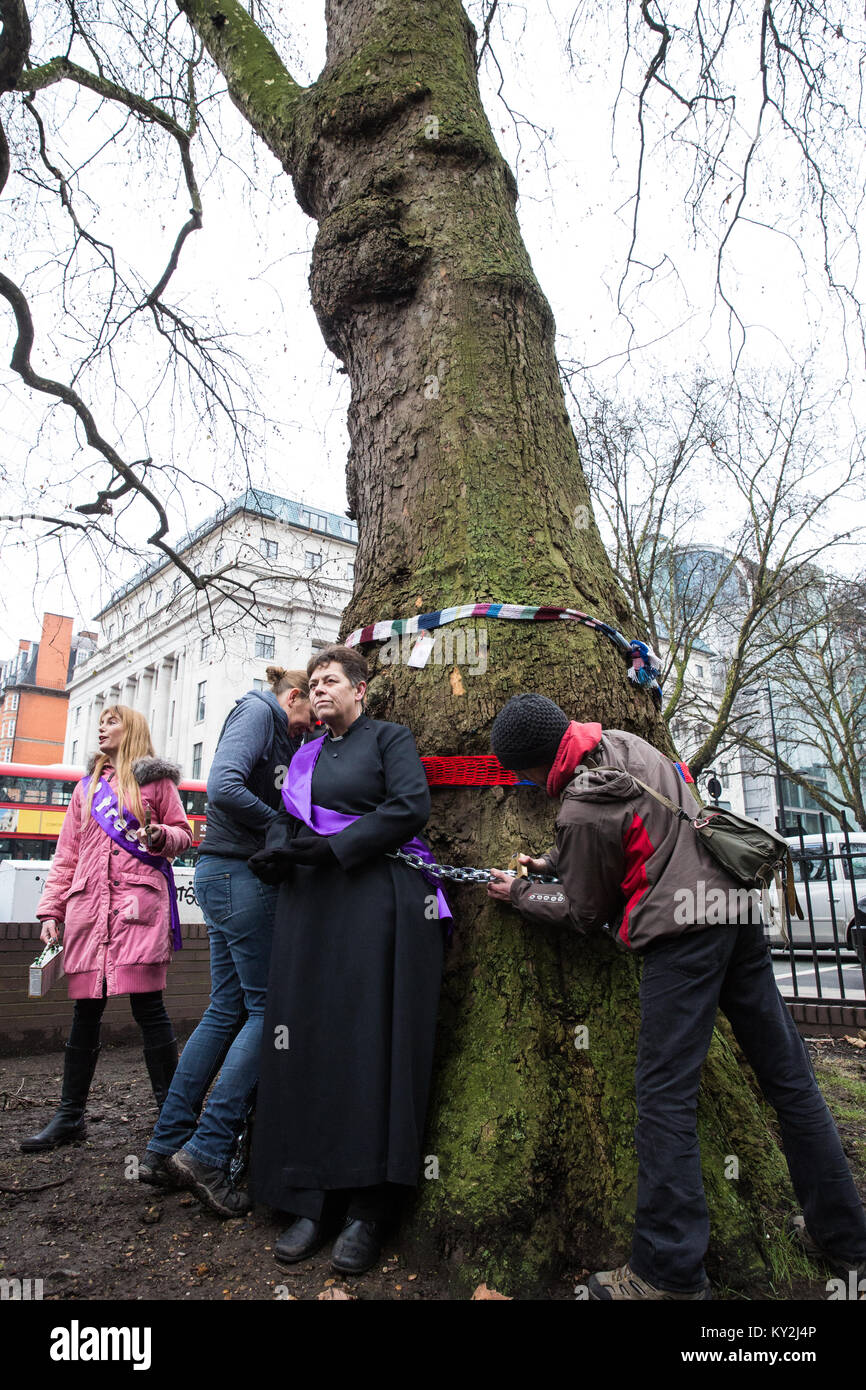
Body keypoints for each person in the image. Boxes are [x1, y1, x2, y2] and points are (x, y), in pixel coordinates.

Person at [487, 692, 866, 1300]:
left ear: (527, 768)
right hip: (734, 910)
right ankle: (845, 1239)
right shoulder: (627, 746)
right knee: (789, 1078)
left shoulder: (580, 805)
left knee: (664, 1096)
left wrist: (522, 893)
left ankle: (669, 1273)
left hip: (684, 937)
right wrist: (556, 861)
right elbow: (639, 827)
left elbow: (586, 909)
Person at [247, 645, 446, 1274]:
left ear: (362, 689)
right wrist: (279, 850)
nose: (319, 690)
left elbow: (408, 808)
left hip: (376, 906)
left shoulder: (390, 739)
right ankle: (312, 1196)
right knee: (309, 1042)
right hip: (312, 913)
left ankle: (368, 1206)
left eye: (331, 680)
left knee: (371, 1044)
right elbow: (286, 821)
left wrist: (331, 852)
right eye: (313, 683)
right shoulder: (302, 757)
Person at [139, 666, 314, 1217]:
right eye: (308, 719)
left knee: (226, 1009)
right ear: (294, 697)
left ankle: (165, 1148)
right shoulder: (260, 712)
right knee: (269, 1010)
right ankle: (208, 1150)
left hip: (223, 877)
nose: (311, 733)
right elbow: (224, 786)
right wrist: (281, 825)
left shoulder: (275, 722)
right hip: (238, 878)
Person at [21, 706, 192, 1153]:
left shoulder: (157, 782)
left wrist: (160, 837)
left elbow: (183, 834)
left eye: (111, 721)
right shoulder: (86, 789)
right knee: (85, 1014)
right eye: (99, 721)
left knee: (149, 1009)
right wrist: (51, 912)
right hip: (88, 911)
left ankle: (170, 1117)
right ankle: (68, 1115)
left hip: (138, 908)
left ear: (131, 728)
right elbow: (65, 856)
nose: (101, 727)